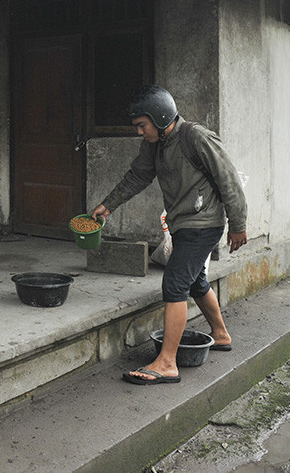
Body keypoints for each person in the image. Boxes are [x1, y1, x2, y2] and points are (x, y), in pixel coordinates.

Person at [91, 85, 248, 386]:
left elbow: (228, 179)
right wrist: (107, 205)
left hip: (204, 224)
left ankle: (166, 362)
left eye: (142, 125)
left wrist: (238, 224)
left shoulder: (196, 137)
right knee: (194, 280)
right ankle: (220, 334)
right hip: (182, 223)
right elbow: (138, 175)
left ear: (160, 118)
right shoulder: (155, 144)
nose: (139, 132)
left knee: (175, 283)